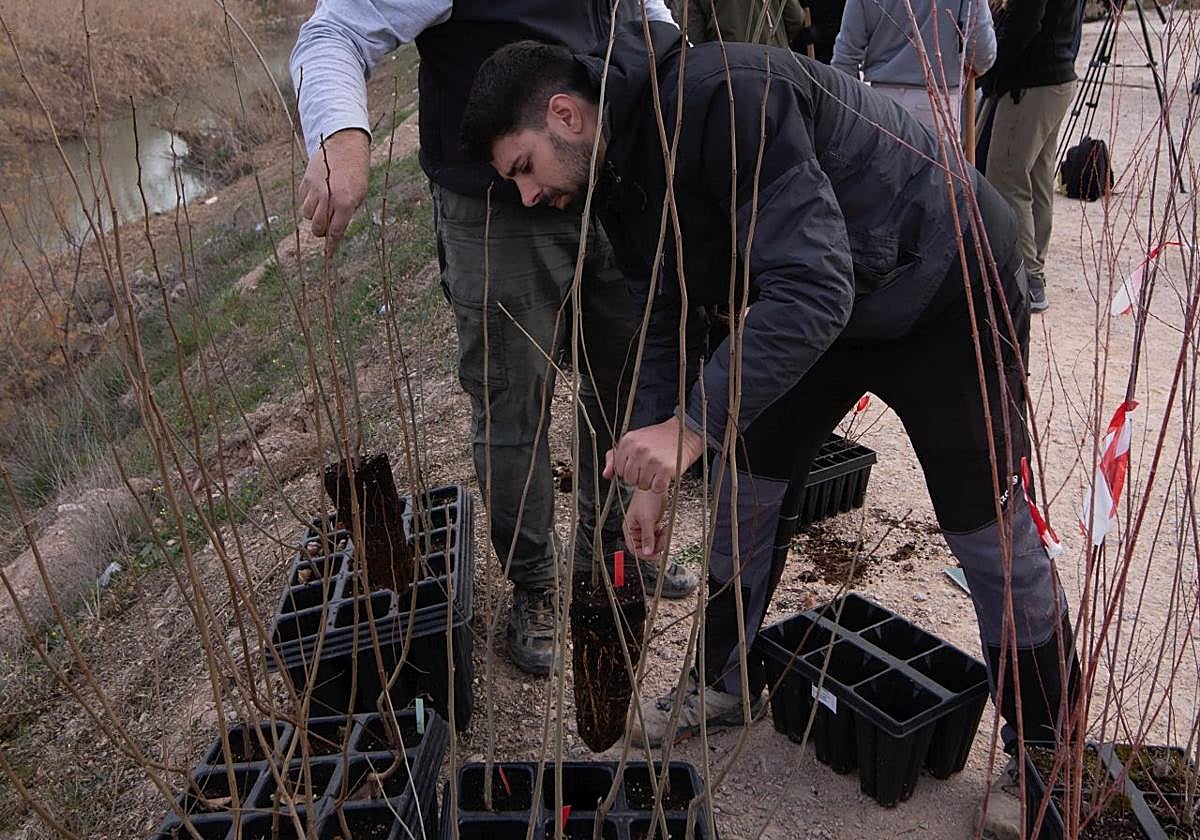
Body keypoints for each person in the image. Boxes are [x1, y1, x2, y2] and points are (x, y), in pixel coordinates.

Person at [460, 18, 1079, 781]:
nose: (526, 194)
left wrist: (691, 426)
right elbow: (664, 314)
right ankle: (722, 681)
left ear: (564, 113)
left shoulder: (725, 100)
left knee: (984, 526)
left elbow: (816, 286)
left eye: (523, 167)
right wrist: (652, 467)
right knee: (746, 490)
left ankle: (1048, 743)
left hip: (945, 285)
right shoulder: (614, 173)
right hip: (815, 310)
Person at [290, 1, 699, 677]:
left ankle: (615, 560)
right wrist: (340, 134)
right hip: (496, 213)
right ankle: (535, 584)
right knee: (514, 407)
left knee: (634, 386)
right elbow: (335, 32)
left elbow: (645, 16)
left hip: (617, 184)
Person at [982, 0, 1082, 312]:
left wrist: (990, 70)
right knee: (1037, 179)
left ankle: (1025, 277)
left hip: (1030, 82)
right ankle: (1033, 272)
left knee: (1008, 177)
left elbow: (1025, 24)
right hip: (1056, 75)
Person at [831, 0, 996, 133]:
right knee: (936, 173)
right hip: (936, 103)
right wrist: (973, 65)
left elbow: (846, 55)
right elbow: (981, 49)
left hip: (879, 102)